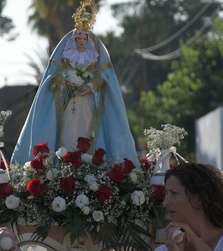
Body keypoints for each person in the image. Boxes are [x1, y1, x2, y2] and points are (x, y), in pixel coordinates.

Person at [11, 1, 138, 164]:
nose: (82, 41)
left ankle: (87, 164)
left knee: (87, 131)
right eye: (79, 38)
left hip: (88, 102)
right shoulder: (67, 55)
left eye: (84, 38)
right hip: (68, 102)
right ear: (75, 39)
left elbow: (103, 77)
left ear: (88, 39)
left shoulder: (94, 56)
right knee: (68, 132)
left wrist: (91, 86)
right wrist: (65, 83)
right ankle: (66, 162)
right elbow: (54, 79)